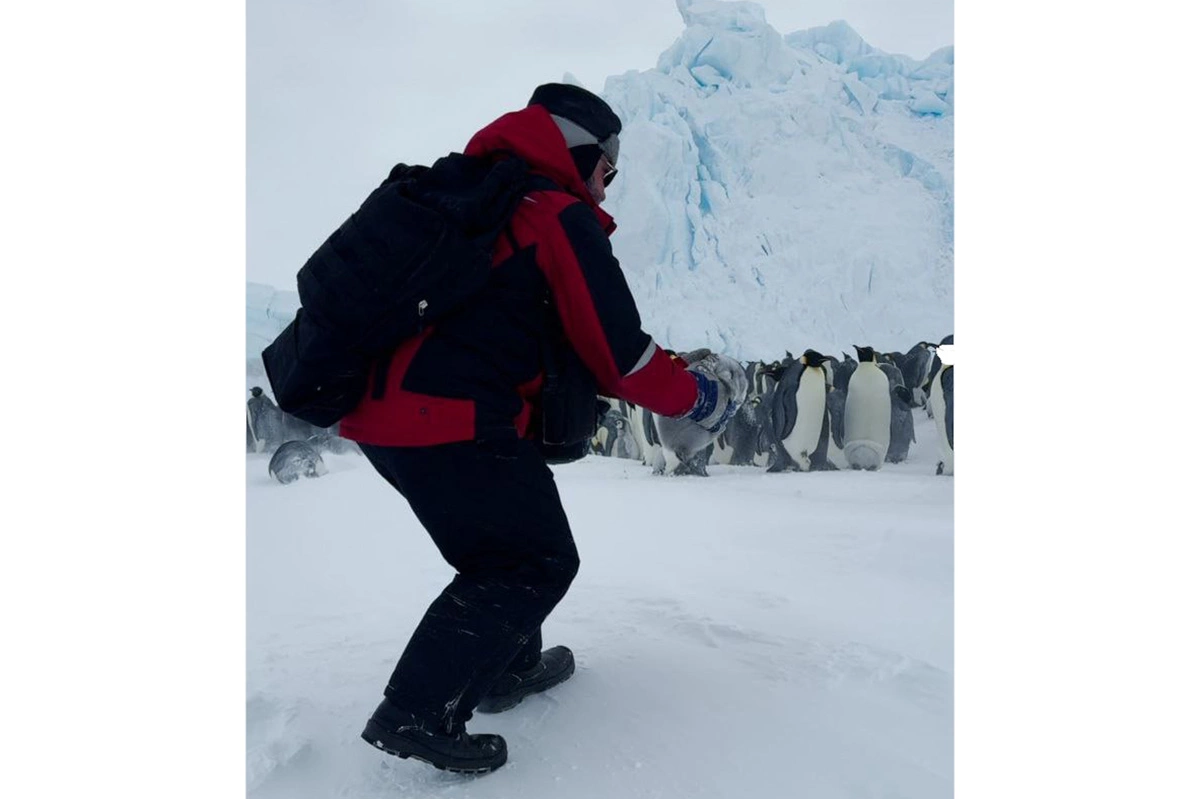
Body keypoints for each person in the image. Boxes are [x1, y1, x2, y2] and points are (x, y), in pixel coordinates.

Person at [337, 83, 747, 773]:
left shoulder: (481, 201)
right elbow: (620, 351)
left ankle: (507, 665)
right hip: (446, 415)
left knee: (503, 545)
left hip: (394, 413)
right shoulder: (551, 212)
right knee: (530, 560)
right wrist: (698, 398)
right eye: (608, 171)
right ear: (579, 151)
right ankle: (415, 708)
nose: (608, 190)